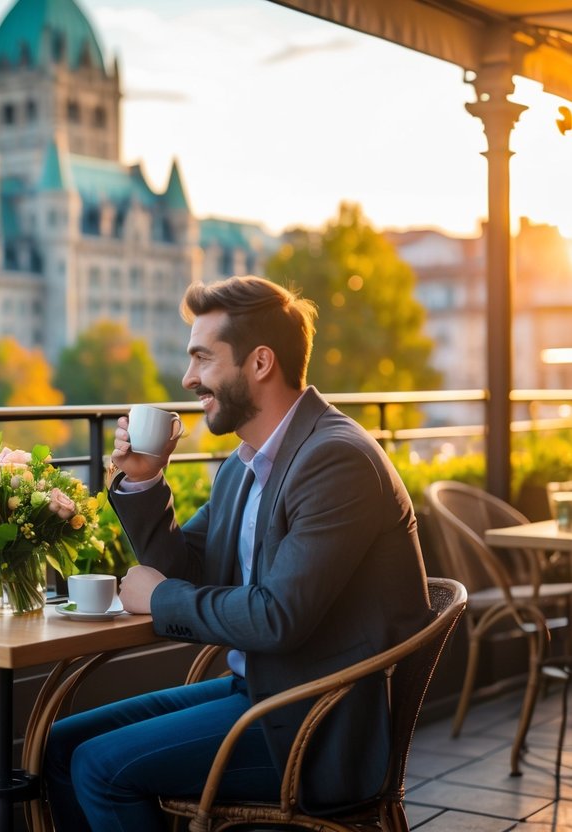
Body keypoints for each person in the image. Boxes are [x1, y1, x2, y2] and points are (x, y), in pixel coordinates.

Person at [45, 275, 431, 831]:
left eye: (203, 358)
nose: (188, 378)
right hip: (260, 691)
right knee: (61, 745)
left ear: (260, 363)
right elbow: (190, 568)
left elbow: (277, 618)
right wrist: (144, 483)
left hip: (315, 723)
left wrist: (160, 597)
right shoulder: (245, 464)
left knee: (100, 768)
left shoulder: (335, 460)